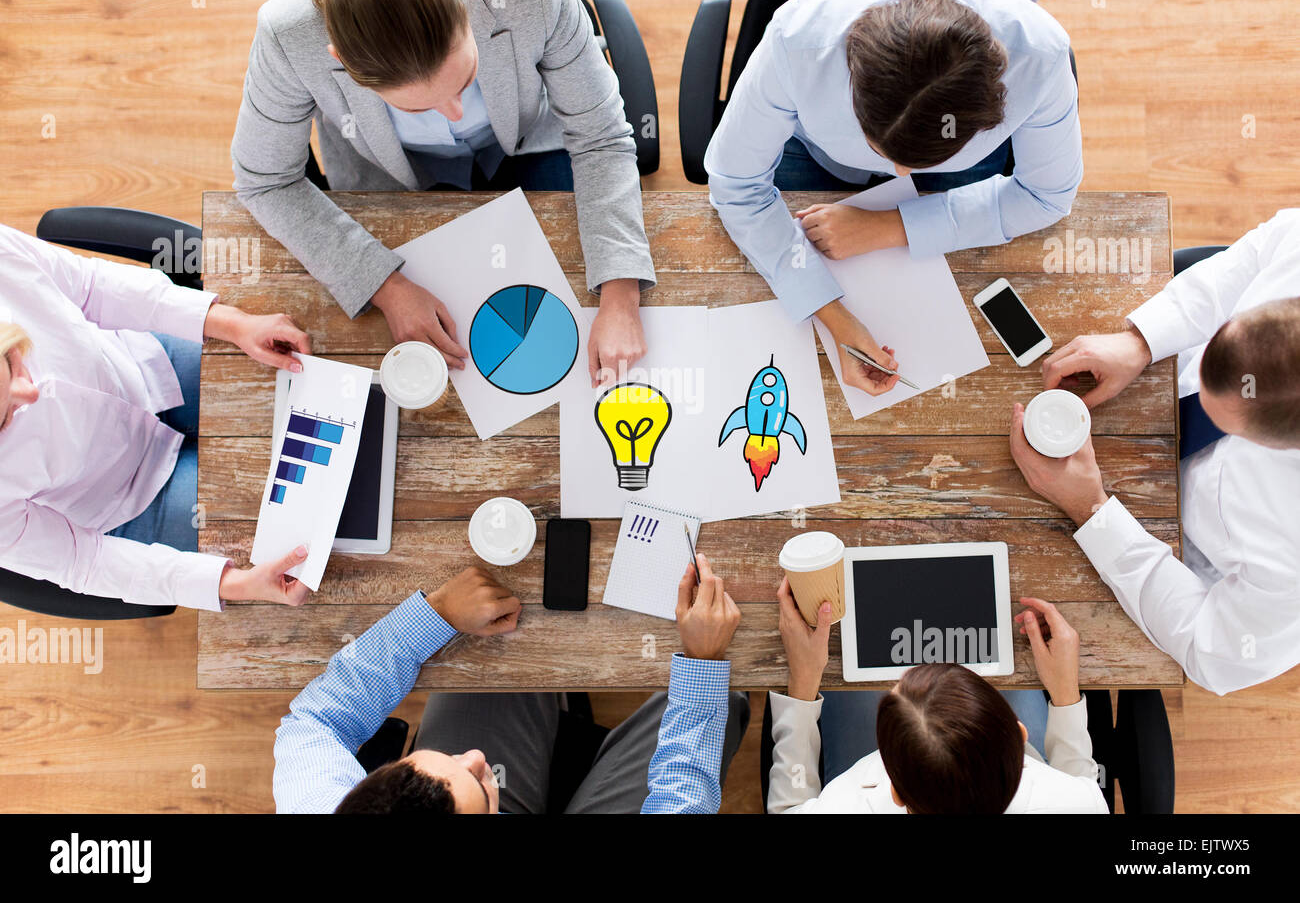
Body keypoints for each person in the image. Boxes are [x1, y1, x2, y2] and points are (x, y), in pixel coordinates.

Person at [232, 0, 655, 387]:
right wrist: (386, 286)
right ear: (339, 56)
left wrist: (621, 294)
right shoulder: (287, 32)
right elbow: (264, 180)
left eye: (464, 80)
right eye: (416, 107)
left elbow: (600, 137)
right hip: (387, 169)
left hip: (526, 135)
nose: (455, 113)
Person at [705, 0, 1081, 396]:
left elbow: (1047, 196)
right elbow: (736, 185)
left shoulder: (1042, 56)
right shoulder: (799, 41)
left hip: (962, 172)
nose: (904, 176)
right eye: (884, 151)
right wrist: (833, 316)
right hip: (815, 150)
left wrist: (890, 226)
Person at [1010, 209, 1300, 696]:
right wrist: (1142, 341)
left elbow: (1213, 651)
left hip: (1170, 550)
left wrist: (1092, 512)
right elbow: (1258, 255)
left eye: (1225, 416)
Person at [274, 556, 749, 813]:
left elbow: (313, 721)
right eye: (478, 783)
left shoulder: (320, 804)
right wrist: (702, 664)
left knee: (500, 645)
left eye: (425, 760)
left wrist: (434, 614)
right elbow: (678, 804)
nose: (475, 756)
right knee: (725, 695)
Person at [0, 224, 314, 611]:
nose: (30, 393)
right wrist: (233, 583)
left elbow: (88, 286)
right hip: (129, 498)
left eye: (12, 363)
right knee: (301, 532)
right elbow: (83, 561)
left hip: (143, 366)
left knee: (308, 383)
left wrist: (233, 323)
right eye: (4, 420)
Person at [767, 580, 1107, 813]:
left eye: (895, 687)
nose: (906, 670)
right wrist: (1064, 693)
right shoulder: (1080, 803)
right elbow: (1077, 784)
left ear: (896, 793)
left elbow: (790, 808)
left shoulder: (844, 806)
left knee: (846, 678)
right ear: (1018, 733)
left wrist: (803, 679)